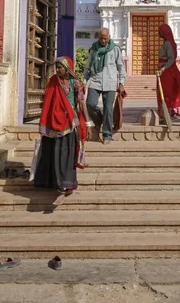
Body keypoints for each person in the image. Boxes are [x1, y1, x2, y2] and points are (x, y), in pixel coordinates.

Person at [35, 56, 92, 195]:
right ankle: (55, 182)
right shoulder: (53, 82)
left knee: (67, 154)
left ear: (67, 69)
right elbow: (48, 101)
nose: (57, 70)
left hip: (70, 124)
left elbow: (81, 103)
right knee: (54, 153)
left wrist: (88, 123)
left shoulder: (75, 83)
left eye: (60, 67)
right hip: (54, 123)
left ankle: (67, 183)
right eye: (57, 67)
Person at [84, 27, 126, 144]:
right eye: (102, 39)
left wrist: (121, 83)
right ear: (98, 38)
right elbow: (88, 66)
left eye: (106, 39)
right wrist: (84, 80)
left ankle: (107, 134)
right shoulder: (93, 49)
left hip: (110, 82)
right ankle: (100, 120)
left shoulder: (115, 49)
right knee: (90, 104)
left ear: (109, 37)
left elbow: (121, 67)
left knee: (108, 108)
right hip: (95, 81)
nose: (103, 41)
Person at [157, 24, 180, 122]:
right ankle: (167, 114)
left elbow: (171, 59)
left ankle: (167, 114)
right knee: (166, 91)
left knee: (166, 92)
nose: (158, 33)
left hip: (167, 71)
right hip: (166, 70)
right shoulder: (168, 43)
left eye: (160, 31)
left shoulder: (167, 44)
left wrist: (163, 68)